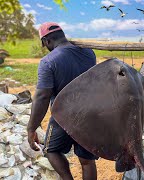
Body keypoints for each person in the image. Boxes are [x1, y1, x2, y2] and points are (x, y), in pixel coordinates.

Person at [27, 22, 97, 180]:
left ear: (46, 41)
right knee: (87, 161)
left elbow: (42, 97)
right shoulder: (88, 53)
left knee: (51, 150)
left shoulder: (48, 62)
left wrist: (31, 129)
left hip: (63, 116)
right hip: (90, 113)